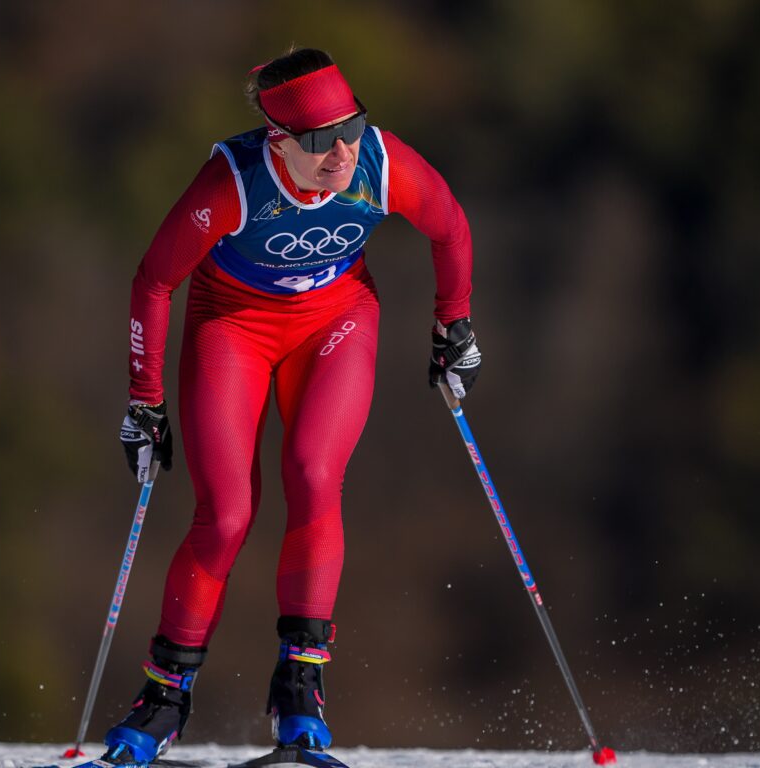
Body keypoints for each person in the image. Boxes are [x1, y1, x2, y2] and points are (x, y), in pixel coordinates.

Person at [103, 47, 481, 765]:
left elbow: (451, 226)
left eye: (351, 126)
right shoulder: (235, 181)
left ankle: (301, 688)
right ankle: (162, 701)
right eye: (317, 139)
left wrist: (453, 324)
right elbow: (154, 281)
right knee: (227, 514)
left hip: (336, 319)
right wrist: (144, 402)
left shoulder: (379, 162)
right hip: (233, 326)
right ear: (279, 140)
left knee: (313, 475)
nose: (340, 151)